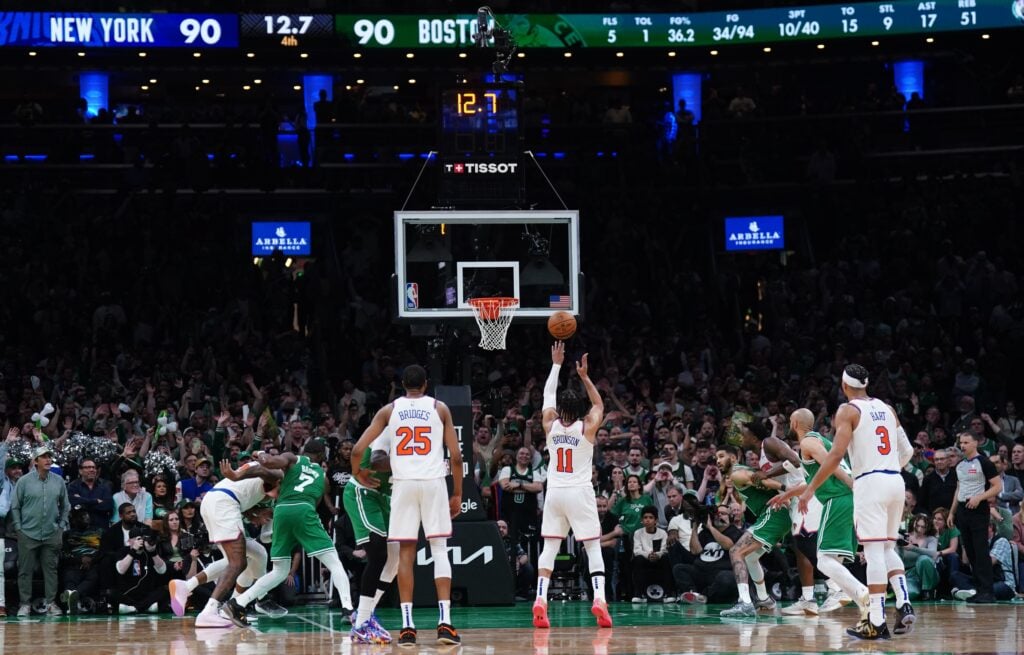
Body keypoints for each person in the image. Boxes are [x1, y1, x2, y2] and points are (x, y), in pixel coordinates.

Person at [799, 364, 915, 640]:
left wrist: (809, 489)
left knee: (874, 551)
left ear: (844, 385)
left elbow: (836, 455)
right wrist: (889, 469)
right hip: (895, 481)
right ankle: (903, 601)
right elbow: (908, 450)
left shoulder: (847, 410)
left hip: (870, 483)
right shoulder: (888, 408)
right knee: (887, 548)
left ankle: (876, 620)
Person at [350, 364, 463, 647]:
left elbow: (357, 450)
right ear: (426, 384)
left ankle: (408, 627)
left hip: (403, 485)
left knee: (405, 555)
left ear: (403, 385)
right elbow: (457, 457)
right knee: (439, 550)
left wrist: (358, 472)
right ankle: (445, 623)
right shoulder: (440, 408)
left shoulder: (389, 411)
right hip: (434, 483)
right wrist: (458, 493)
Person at [216, 442, 353, 622]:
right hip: (304, 509)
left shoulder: (293, 458)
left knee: (279, 571)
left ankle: (238, 603)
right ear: (322, 455)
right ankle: (348, 610)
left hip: (281, 512)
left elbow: (269, 462)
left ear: (305, 451)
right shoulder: (324, 477)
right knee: (334, 563)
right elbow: (315, 503)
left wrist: (259, 452)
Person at [532, 343, 613, 629]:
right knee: (592, 547)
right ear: (579, 409)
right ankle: (600, 599)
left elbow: (547, 395)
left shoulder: (548, 424)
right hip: (579, 492)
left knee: (550, 547)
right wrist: (584, 376)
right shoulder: (587, 426)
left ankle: (540, 599)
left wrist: (556, 365)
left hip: (554, 492)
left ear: (559, 410)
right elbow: (600, 405)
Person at [769, 408, 869, 616]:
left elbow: (830, 465)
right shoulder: (820, 441)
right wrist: (787, 495)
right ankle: (862, 607)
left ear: (795, 423)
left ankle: (854, 590)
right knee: (834, 560)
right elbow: (813, 478)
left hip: (838, 498)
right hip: (846, 500)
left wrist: (852, 485)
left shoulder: (808, 442)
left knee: (823, 559)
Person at [170, 458, 283, 627]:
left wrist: (254, 515)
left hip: (218, 502)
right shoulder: (277, 472)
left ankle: (227, 605)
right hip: (224, 504)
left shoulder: (262, 472)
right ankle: (210, 611)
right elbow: (260, 470)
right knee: (238, 562)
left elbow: (247, 492)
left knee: (256, 554)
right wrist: (235, 474)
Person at [343, 424, 400, 645]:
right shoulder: (389, 431)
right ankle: (360, 625)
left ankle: (364, 615)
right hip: (363, 493)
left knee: (395, 559)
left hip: (386, 498)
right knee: (378, 555)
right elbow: (367, 455)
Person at [11, 445, 70, 617]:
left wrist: (61, 527)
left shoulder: (58, 481)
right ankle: (24, 604)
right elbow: (15, 507)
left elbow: (65, 506)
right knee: (24, 570)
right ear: (35, 461)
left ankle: (51, 603)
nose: (48, 460)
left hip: (52, 533)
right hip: (27, 533)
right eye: (44, 457)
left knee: (51, 570)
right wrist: (18, 528)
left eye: (49, 457)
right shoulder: (24, 481)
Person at [948, 430, 1002, 603]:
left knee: (980, 550)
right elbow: (958, 489)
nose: (962, 446)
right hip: (963, 509)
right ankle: (979, 589)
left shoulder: (984, 462)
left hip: (978, 509)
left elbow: (997, 486)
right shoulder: (960, 465)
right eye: (961, 443)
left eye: (966, 442)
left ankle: (988, 591)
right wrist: (952, 512)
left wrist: (980, 497)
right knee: (970, 551)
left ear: (975, 443)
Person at [672, 504, 742, 604]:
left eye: (723, 513)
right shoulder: (705, 532)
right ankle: (693, 594)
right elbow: (695, 551)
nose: (719, 516)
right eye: (717, 514)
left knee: (726, 577)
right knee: (679, 568)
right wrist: (695, 527)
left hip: (721, 573)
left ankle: (705, 597)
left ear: (730, 517)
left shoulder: (735, 532)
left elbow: (728, 545)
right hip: (701, 571)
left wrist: (711, 527)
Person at [631, 506, 672, 602]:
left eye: (650, 517)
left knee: (666, 558)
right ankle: (639, 594)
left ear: (656, 520)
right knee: (638, 559)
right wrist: (648, 555)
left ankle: (668, 593)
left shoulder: (662, 533)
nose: (647, 520)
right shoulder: (637, 533)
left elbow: (664, 549)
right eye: (645, 518)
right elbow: (637, 550)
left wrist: (657, 555)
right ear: (642, 520)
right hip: (644, 560)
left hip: (659, 559)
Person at [66, 457, 114, 529]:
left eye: (93, 467)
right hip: (79, 532)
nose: (92, 470)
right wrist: (95, 501)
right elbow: (73, 504)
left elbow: (108, 505)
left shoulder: (104, 486)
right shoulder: (73, 486)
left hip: (101, 530)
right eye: (87, 467)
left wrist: (82, 501)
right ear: (80, 471)